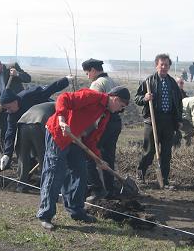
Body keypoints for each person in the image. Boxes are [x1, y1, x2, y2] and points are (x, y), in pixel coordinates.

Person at [37, 86, 131, 231]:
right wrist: (62, 120)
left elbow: (92, 141)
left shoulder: (105, 115)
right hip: (59, 134)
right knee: (55, 173)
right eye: (121, 106)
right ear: (115, 98)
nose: (120, 110)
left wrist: (99, 160)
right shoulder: (92, 97)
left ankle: (76, 211)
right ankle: (45, 214)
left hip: (75, 140)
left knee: (80, 173)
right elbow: (64, 98)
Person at [0, 75, 71, 173]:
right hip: (31, 129)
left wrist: (65, 80)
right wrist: (7, 154)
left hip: (49, 119)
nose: (8, 111)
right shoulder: (11, 114)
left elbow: (49, 89)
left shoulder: (29, 95)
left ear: (15, 101)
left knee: (45, 152)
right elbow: (10, 133)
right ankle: (27, 175)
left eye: (9, 107)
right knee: (26, 149)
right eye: (6, 109)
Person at [135, 54, 183, 189]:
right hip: (152, 120)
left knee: (166, 151)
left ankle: (164, 179)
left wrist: (178, 119)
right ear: (156, 65)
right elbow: (137, 99)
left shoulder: (172, 83)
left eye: (166, 65)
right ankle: (140, 175)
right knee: (149, 150)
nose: (163, 67)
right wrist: (145, 98)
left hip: (169, 121)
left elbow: (178, 103)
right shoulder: (149, 81)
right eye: (161, 64)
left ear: (169, 67)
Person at [81, 58, 122, 202]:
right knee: (108, 156)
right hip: (115, 123)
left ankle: (95, 188)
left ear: (93, 70)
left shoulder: (97, 84)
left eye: (87, 73)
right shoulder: (111, 81)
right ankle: (109, 189)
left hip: (105, 123)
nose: (88, 76)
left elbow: (92, 106)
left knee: (90, 155)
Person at [0, 56, 32, 153]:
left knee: (21, 132)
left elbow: (28, 78)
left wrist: (17, 74)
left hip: (17, 106)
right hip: (2, 109)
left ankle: (24, 157)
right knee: (3, 133)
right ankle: (4, 158)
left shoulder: (12, 67)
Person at [12, 102, 56, 191]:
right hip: (38, 124)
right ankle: (46, 187)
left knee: (23, 156)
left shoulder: (47, 104)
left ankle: (21, 185)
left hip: (23, 123)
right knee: (43, 157)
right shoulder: (61, 106)